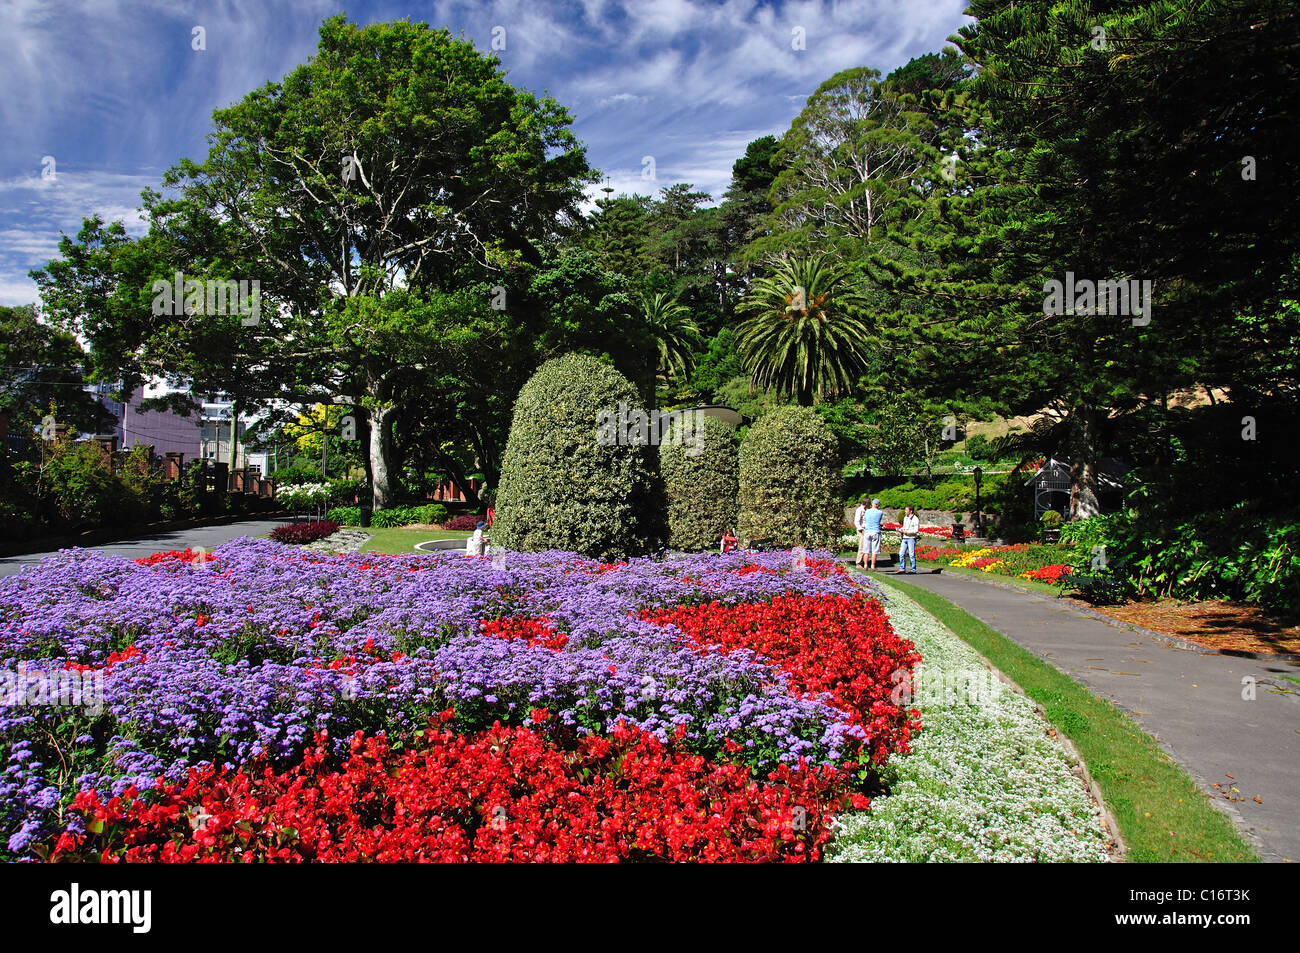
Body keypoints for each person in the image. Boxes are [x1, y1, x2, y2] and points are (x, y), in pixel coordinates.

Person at [861, 498, 885, 571]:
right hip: (875, 531)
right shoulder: (880, 512)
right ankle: (873, 566)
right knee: (875, 550)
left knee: (866, 550)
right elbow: (878, 521)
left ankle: (865, 565)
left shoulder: (867, 511)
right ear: (877, 505)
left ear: (872, 504)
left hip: (867, 531)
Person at [896, 504, 920, 574]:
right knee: (901, 553)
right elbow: (904, 526)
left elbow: (916, 530)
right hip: (905, 538)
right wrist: (900, 529)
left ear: (911, 511)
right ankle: (902, 568)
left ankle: (913, 569)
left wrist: (908, 532)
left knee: (911, 554)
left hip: (911, 538)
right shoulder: (905, 518)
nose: (905, 511)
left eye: (906, 510)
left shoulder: (915, 519)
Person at [852, 499, 868, 567]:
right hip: (861, 530)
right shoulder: (860, 510)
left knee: (865, 546)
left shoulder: (866, 510)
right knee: (862, 546)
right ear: (866, 503)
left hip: (865, 529)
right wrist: (861, 529)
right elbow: (857, 521)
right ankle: (858, 563)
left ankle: (864, 562)